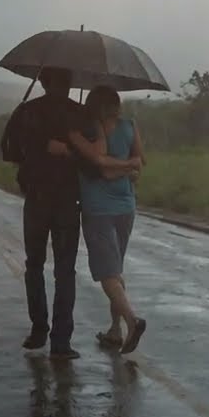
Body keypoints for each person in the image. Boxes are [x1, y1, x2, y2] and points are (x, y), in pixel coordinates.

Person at [0, 67, 84, 360]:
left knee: (34, 265)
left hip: (37, 197)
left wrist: (35, 151)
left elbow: (8, 151)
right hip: (67, 200)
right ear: (69, 83)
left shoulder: (27, 112)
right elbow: (91, 157)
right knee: (65, 270)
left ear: (43, 82)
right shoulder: (79, 114)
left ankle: (39, 331)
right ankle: (61, 341)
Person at [67, 85, 148, 355]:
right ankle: (115, 330)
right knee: (115, 271)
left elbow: (101, 165)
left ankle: (131, 321)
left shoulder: (90, 131)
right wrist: (128, 167)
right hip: (126, 206)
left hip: (98, 208)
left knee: (107, 273)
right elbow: (140, 161)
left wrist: (114, 169)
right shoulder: (130, 126)